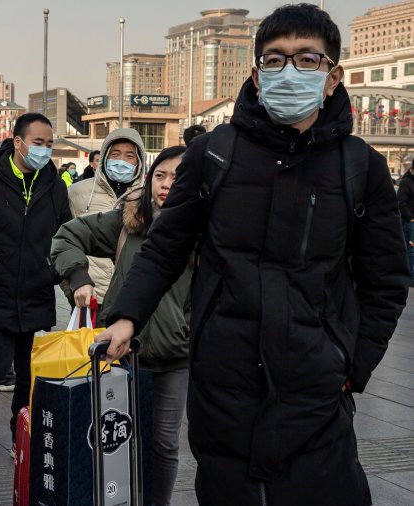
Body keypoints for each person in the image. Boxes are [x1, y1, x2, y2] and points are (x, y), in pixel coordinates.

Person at [95, 5, 409, 504]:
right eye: (275, 59)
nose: (290, 71)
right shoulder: (214, 154)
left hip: (317, 382)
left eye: (308, 59)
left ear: (333, 78)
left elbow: (387, 280)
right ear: (257, 76)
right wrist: (126, 317)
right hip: (224, 378)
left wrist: (353, 361)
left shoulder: (359, 167)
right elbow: (165, 246)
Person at [52, 146, 190, 505]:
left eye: (177, 177)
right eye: (160, 175)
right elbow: (66, 236)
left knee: (163, 444)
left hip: (176, 355)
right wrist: (78, 276)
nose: (166, 184)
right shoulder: (129, 221)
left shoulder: (204, 229)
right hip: (120, 352)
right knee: (113, 438)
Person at [0, 112, 71, 448]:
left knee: (28, 375)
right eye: (38, 143)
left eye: (49, 144)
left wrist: (59, 275)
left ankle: (21, 438)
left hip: (35, 292)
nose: (44, 150)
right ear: (18, 142)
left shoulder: (55, 187)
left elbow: (65, 237)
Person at [64, 129, 147, 312]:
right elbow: (61, 241)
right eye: (115, 154)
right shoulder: (76, 192)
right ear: (104, 158)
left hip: (132, 299)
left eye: (129, 156)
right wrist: (70, 287)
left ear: (139, 161)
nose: (121, 161)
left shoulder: (148, 197)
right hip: (89, 298)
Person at [397, 160, 414, 286]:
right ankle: (410, 278)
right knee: (411, 250)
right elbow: (401, 203)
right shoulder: (407, 182)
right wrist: (410, 217)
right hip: (410, 222)